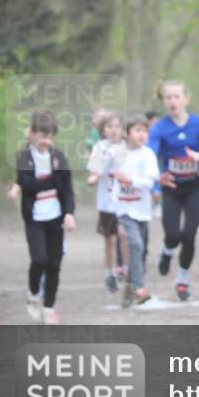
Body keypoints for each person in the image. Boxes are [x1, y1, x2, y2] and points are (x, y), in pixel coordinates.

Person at [147, 80, 199, 301]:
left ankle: (182, 280)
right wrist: (156, 180)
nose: (172, 101)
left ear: (186, 99)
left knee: (189, 235)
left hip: (194, 187)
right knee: (172, 235)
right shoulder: (159, 127)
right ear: (163, 101)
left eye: (176, 96)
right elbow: (150, 155)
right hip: (171, 187)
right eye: (168, 97)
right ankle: (167, 252)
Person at [17, 109, 76, 325]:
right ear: (31, 133)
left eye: (50, 136)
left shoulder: (58, 157)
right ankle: (33, 294)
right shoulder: (24, 156)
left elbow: (66, 187)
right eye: (42, 135)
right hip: (34, 218)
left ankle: (49, 307)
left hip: (55, 217)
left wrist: (69, 212)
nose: (46, 141)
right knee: (39, 259)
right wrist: (51, 181)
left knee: (54, 264)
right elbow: (26, 183)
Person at [112, 115, 160, 307]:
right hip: (123, 209)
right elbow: (102, 171)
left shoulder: (148, 154)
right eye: (137, 130)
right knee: (136, 244)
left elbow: (149, 183)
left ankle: (129, 290)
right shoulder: (116, 153)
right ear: (126, 133)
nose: (142, 135)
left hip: (142, 209)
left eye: (145, 131)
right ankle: (140, 289)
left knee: (139, 250)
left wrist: (128, 180)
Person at [86, 112, 128, 293]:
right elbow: (94, 173)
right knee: (109, 239)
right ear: (103, 130)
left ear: (123, 130)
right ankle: (111, 272)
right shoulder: (100, 148)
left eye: (117, 127)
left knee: (123, 233)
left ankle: (125, 268)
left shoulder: (127, 147)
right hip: (106, 202)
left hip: (125, 201)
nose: (113, 130)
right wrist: (93, 178)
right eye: (109, 127)